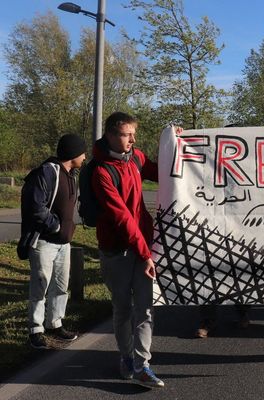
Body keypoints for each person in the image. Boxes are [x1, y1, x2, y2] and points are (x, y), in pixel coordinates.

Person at [92, 112, 163, 388]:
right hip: (117, 251)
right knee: (123, 309)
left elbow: (162, 171)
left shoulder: (135, 157)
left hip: (142, 247)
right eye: (126, 134)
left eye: (133, 133)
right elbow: (122, 217)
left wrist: (179, 143)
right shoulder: (101, 172)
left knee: (145, 308)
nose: (132, 139)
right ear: (110, 134)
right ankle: (126, 357)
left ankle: (143, 364)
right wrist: (145, 253)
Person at [19, 134, 86, 349]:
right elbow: (35, 207)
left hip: (63, 244)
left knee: (60, 286)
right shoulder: (48, 172)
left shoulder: (71, 174)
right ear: (73, 153)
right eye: (82, 152)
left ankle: (55, 323)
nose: (85, 157)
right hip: (44, 243)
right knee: (40, 286)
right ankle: (35, 330)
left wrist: (68, 230)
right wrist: (56, 226)